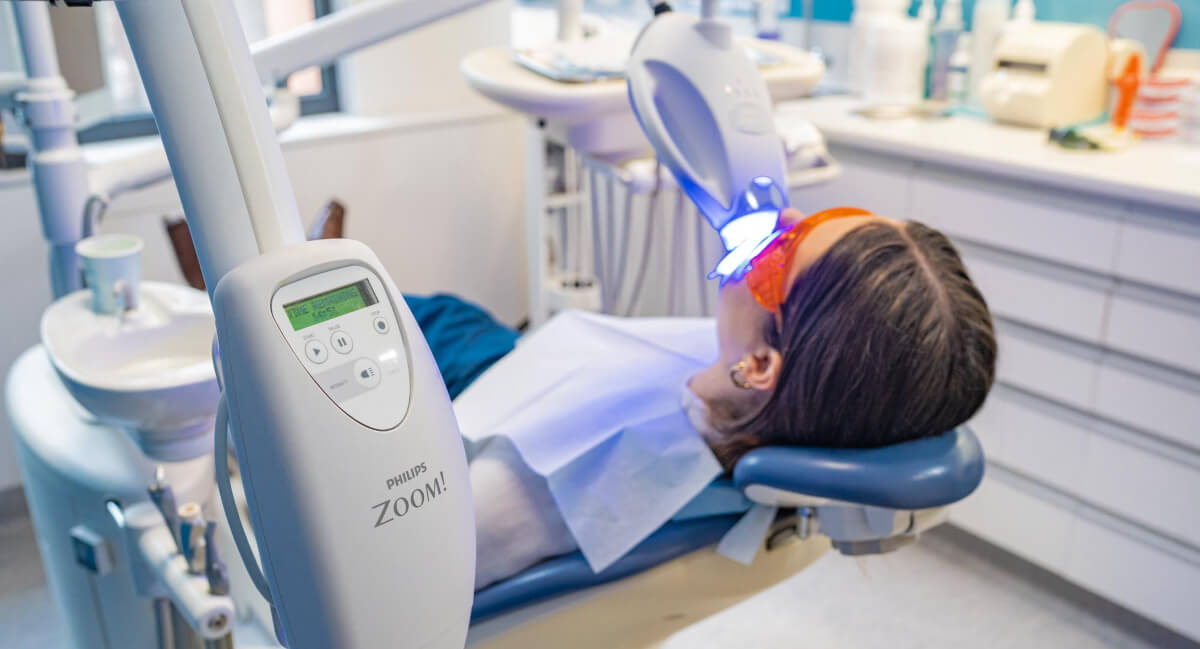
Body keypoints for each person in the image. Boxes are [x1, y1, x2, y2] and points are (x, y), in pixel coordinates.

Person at [417, 207, 997, 591]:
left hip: (470, 410)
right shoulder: (785, 388)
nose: (783, 217)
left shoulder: (547, 481)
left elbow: (415, 580)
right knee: (453, 313)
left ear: (761, 365)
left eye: (784, 247)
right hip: (519, 365)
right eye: (824, 216)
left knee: (420, 314)